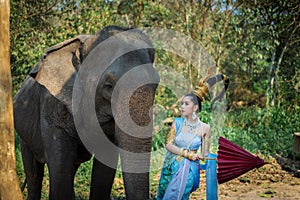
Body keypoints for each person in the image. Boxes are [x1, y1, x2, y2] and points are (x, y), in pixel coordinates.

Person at [157, 73, 229, 200]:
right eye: (182, 104)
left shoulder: (205, 128)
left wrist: (219, 158)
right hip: (171, 167)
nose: (182, 107)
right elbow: (168, 145)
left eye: (186, 104)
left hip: (190, 169)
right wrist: (188, 154)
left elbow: (205, 154)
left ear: (195, 107)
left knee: (182, 194)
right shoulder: (177, 123)